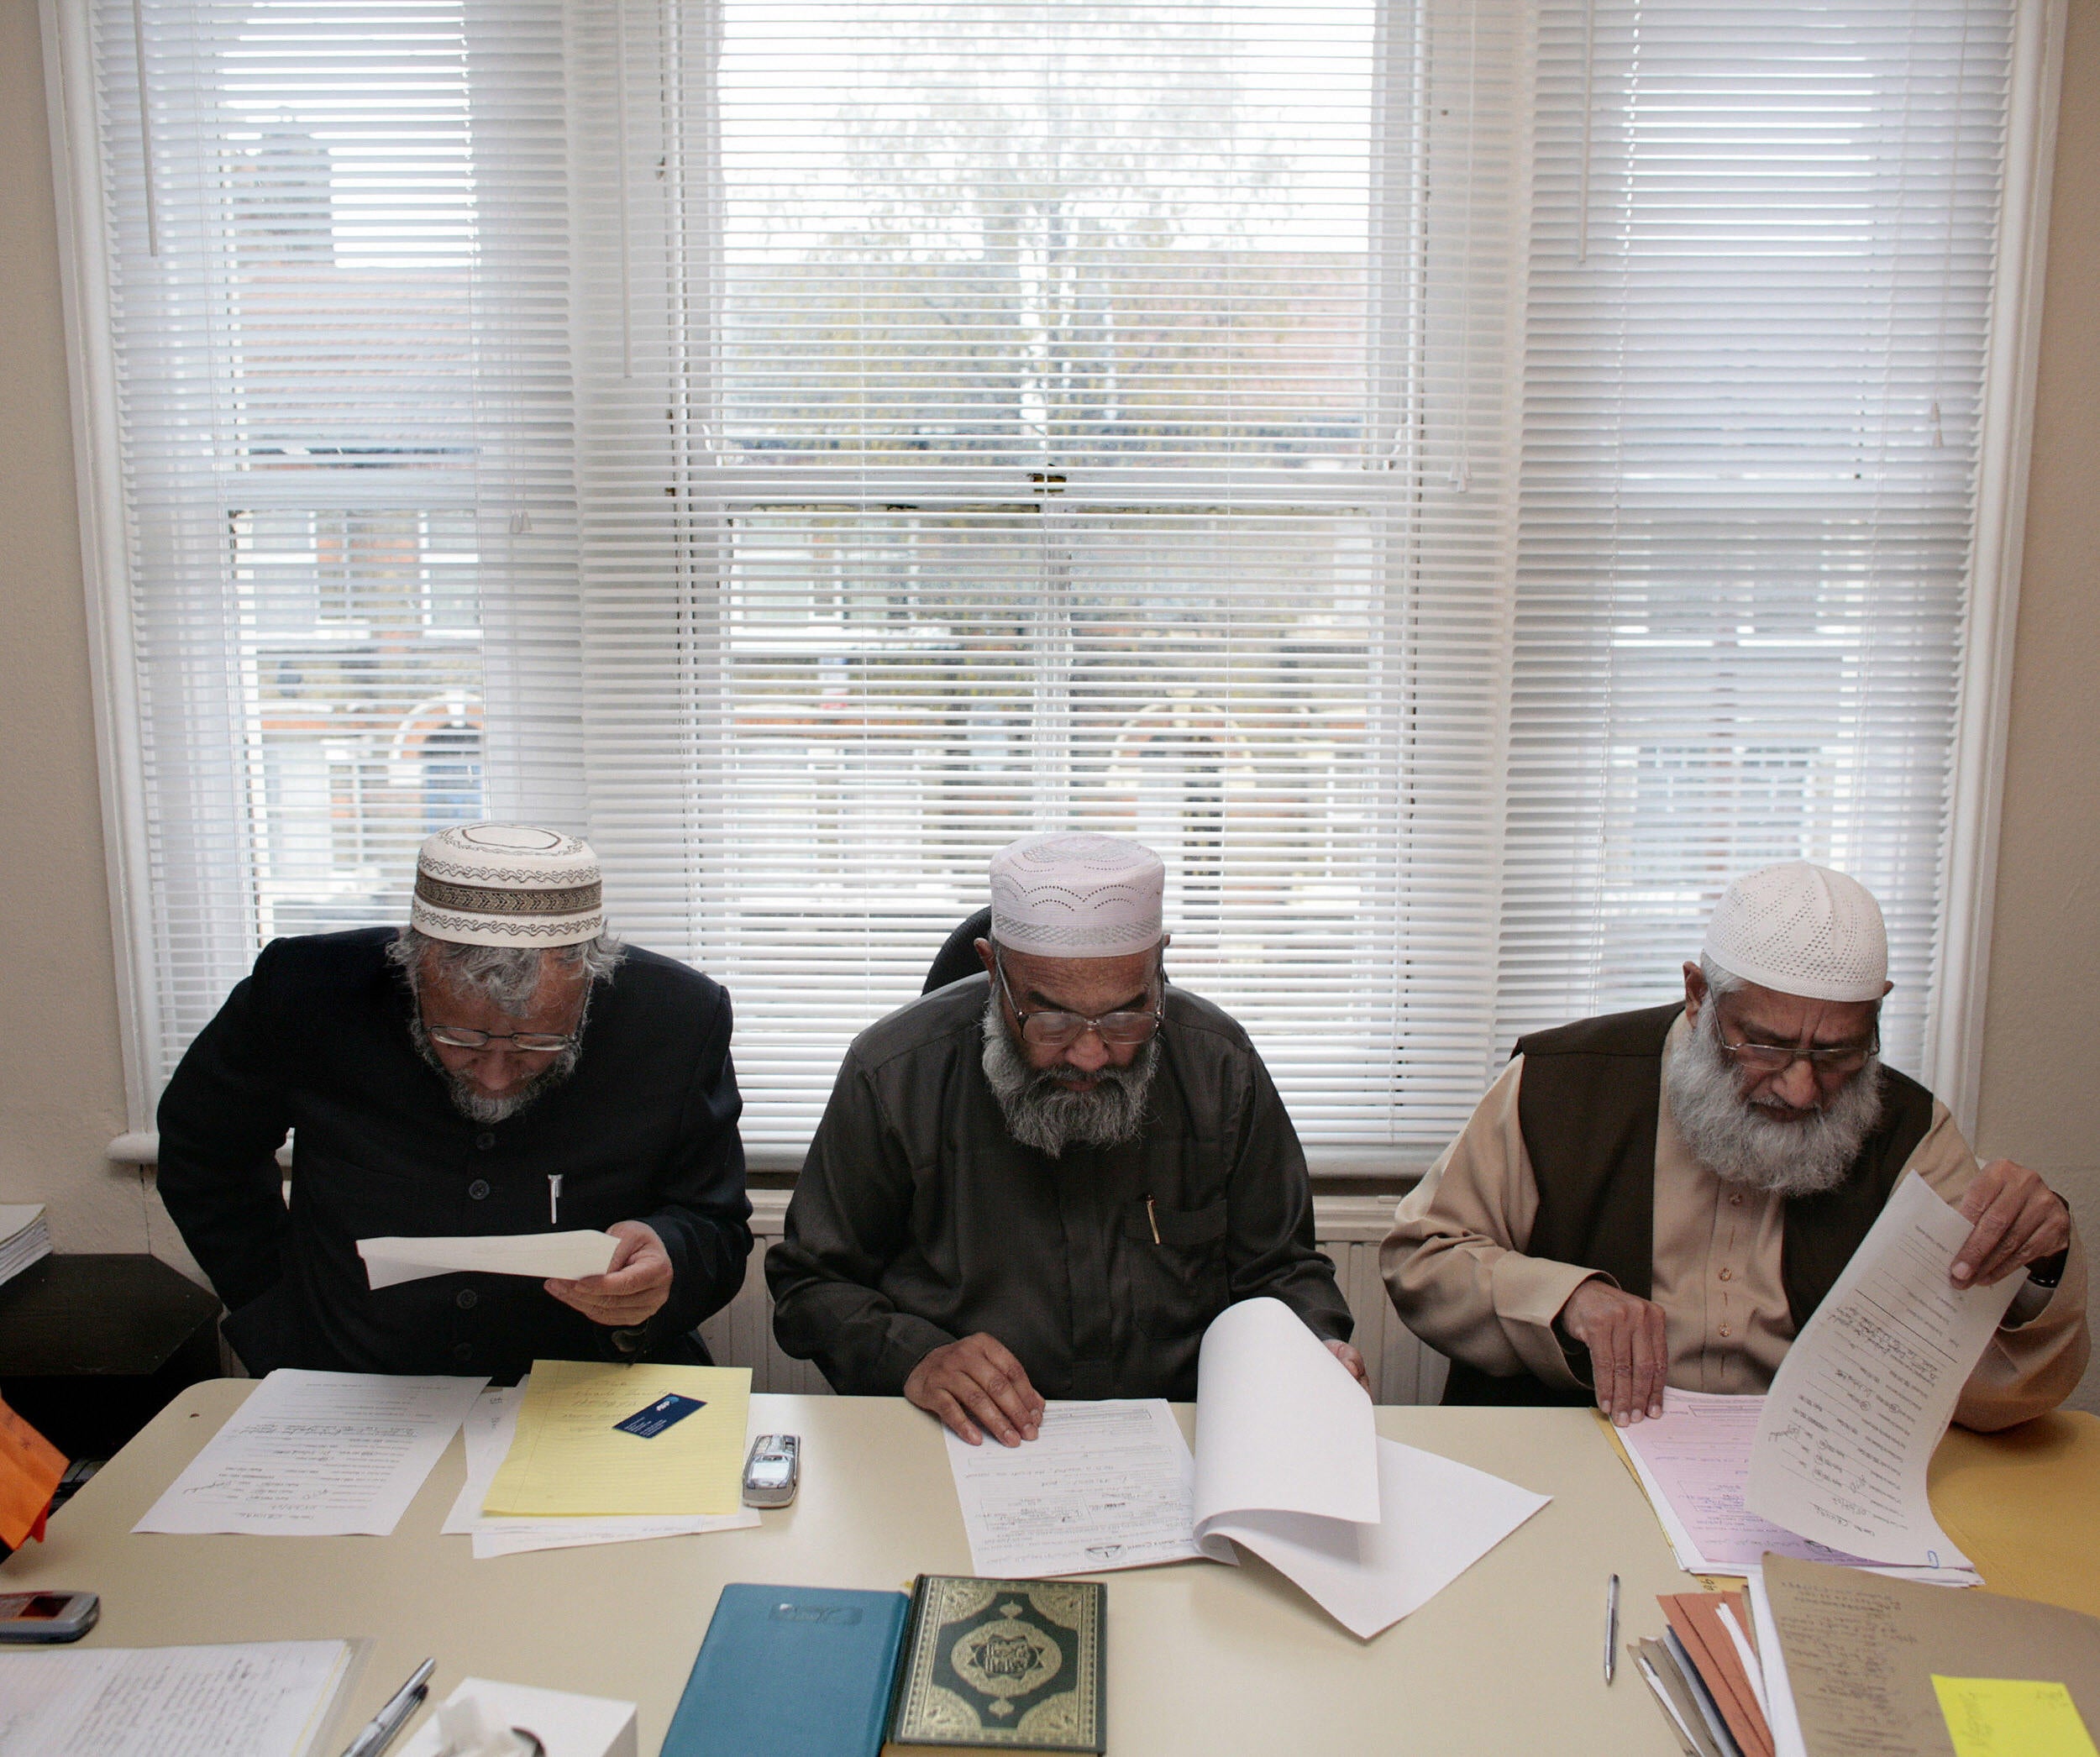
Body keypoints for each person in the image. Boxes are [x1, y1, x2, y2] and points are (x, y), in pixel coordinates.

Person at [1383, 861, 2087, 1430]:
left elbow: (1992, 1383)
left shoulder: (1908, 1128)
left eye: (1838, 1051)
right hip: (1581, 1448)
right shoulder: (1560, 1083)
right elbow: (1423, 1261)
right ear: (1698, 996)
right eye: (1767, 1045)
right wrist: (1567, 1300)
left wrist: (2039, 1264)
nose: (1803, 1089)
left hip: (1811, 1469)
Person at [768, 832, 1360, 1445]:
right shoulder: (894, 1075)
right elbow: (811, 1284)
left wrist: (1318, 1346)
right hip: (966, 1447)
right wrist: (912, 1355)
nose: (1089, 1054)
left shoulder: (1219, 1067)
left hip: (1186, 1443)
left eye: (1127, 1015)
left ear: (1159, 966)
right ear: (993, 970)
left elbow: (1282, 1269)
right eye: (1051, 1019)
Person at [158, 821, 751, 1381]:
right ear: (413, 970)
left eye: (537, 1041)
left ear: (590, 981)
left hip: (590, 1384)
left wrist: (670, 1259)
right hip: (354, 1378)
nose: (495, 1076)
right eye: (458, 1037)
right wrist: (277, 1314)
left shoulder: (678, 1018)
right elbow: (203, 1151)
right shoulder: (307, 991)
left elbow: (715, 1222)